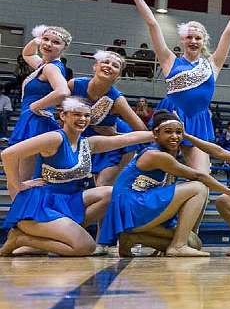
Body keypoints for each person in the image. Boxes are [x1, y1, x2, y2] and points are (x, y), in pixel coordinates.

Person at [109, 0, 230, 183]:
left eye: (197, 38)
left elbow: (229, 32)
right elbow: (153, 24)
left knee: (202, 178)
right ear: (182, 40)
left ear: (203, 42)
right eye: (189, 37)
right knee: (161, 176)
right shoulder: (169, 60)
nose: (193, 41)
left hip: (199, 119)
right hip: (171, 114)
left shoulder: (213, 64)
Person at [0, 98, 153, 256]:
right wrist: (17, 185)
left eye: (86, 116)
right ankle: (21, 239)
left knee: (111, 193)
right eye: (76, 114)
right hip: (40, 208)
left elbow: (126, 139)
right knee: (85, 247)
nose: (82, 119)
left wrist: (157, 134)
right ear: (63, 116)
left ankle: (52, 240)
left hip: (67, 202)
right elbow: (8, 154)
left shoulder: (88, 143)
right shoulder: (55, 138)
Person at [98, 110, 230, 257]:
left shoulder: (166, 154)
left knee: (194, 243)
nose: (175, 136)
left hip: (138, 207)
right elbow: (198, 175)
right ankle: (178, 246)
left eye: (178, 132)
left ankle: (132, 238)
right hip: (132, 206)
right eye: (168, 132)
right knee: (199, 187)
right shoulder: (155, 155)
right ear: (155, 134)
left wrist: (186, 134)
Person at [69, 50, 149, 186]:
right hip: (77, 141)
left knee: (101, 187)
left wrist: (115, 135)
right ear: (95, 66)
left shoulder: (118, 100)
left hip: (107, 146)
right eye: (105, 62)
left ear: (118, 75)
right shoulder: (74, 85)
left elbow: (144, 131)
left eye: (115, 65)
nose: (109, 66)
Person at [9, 26, 72, 182]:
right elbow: (27, 53)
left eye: (56, 42)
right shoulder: (43, 65)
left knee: (25, 177)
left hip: (36, 121)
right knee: (26, 175)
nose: (49, 44)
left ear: (64, 48)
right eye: (46, 39)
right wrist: (37, 39)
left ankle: (24, 205)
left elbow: (63, 91)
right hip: (34, 120)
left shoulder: (51, 67)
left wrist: (35, 106)